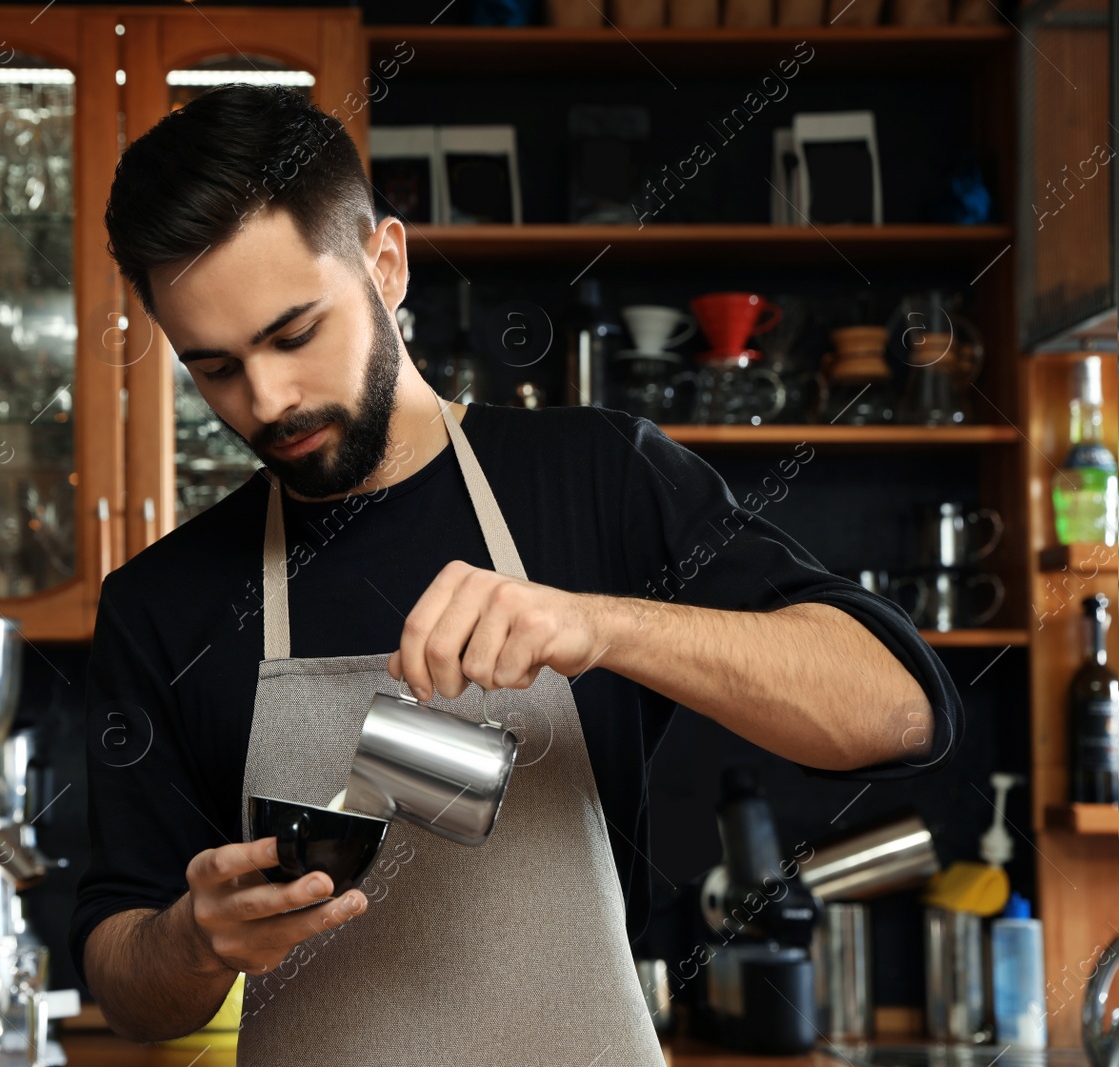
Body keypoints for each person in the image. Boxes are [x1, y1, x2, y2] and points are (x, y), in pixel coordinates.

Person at [73, 85, 959, 1065]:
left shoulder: (598, 476)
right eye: (214, 368)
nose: (267, 398)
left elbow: (899, 710)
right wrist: (194, 941)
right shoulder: (164, 601)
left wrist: (603, 626)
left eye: (294, 334)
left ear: (386, 262)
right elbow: (125, 981)